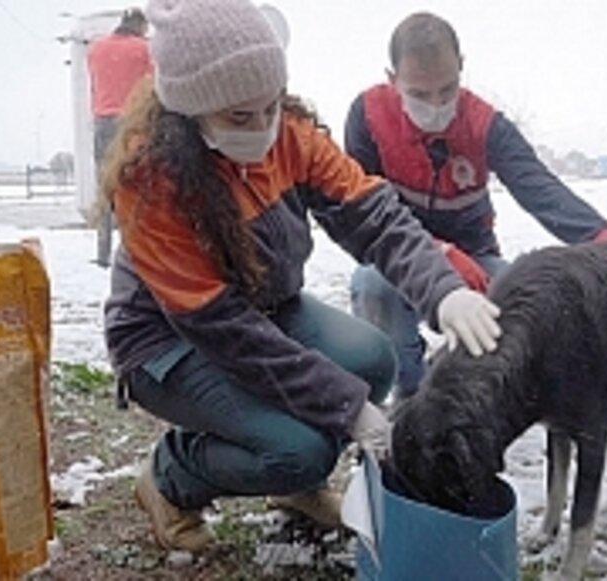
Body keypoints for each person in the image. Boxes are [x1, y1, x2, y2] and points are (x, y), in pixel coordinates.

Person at [101, 0, 502, 553]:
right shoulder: (152, 183)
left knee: (372, 360)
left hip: (265, 305)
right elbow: (226, 331)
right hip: (171, 341)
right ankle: (172, 476)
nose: (263, 129)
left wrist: (444, 291)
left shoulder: (289, 133)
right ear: (189, 111)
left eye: (270, 106)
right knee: (297, 448)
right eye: (240, 117)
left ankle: (295, 490)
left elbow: (373, 214)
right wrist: (347, 407)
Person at [345, 12, 607, 398]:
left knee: (520, 300)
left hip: (476, 258)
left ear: (462, 68)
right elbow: (361, 213)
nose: (436, 105)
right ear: (393, 81)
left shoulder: (485, 124)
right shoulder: (368, 117)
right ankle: (410, 393)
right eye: (419, 95)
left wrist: (604, 240)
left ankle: (478, 397)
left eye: (447, 89)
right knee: (372, 286)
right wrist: (437, 253)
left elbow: (539, 187)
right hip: (396, 259)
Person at [87, 7, 152, 267]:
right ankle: (133, 252)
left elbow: (94, 85)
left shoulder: (95, 49)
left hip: (102, 121)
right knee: (135, 187)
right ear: (140, 26)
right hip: (132, 122)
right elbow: (153, 86)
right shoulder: (144, 49)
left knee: (105, 190)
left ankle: (102, 252)